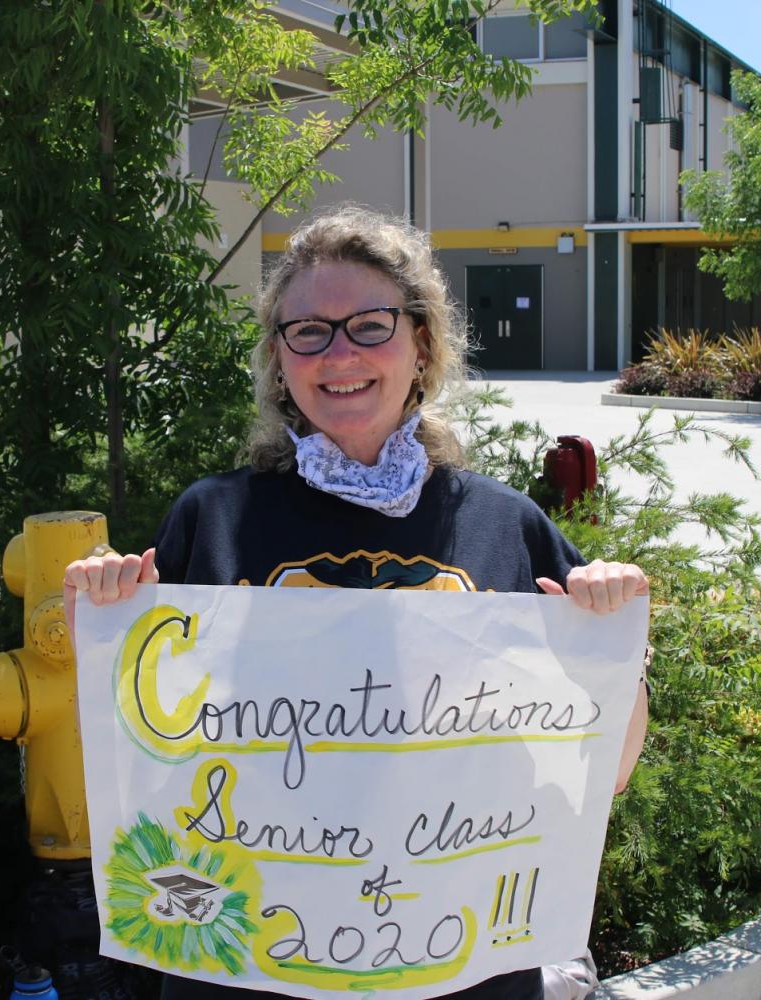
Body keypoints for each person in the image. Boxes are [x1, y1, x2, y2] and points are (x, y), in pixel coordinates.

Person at [64, 205, 649, 1000]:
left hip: (454, 966)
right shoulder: (212, 518)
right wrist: (101, 618)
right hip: (246, 971)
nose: (339, 353)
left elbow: (604, 773)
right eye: (308, 331)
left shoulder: (502, 526)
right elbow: (144, 748)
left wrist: (610, 645)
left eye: (369, 325)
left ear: (422, 343)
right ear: (280, 360)